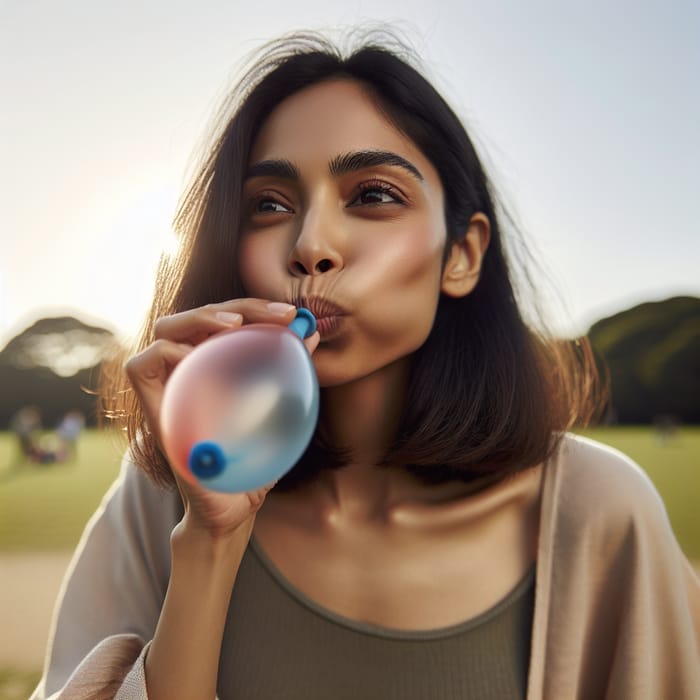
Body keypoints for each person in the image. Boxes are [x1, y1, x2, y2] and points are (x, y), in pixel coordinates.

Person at [32, 31, 699, 700]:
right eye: (269, 205)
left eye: (373, 195)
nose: (311, 245)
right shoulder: (166, 496)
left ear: (462, 254)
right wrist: (209, 544)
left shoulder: (601, 511)